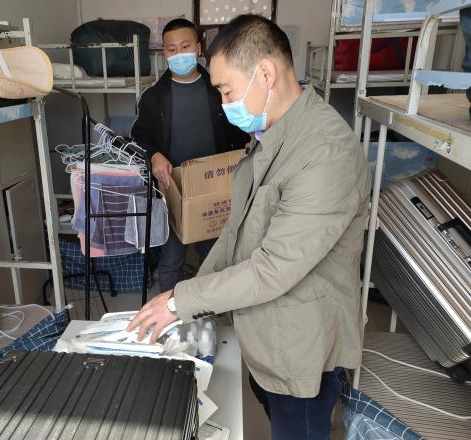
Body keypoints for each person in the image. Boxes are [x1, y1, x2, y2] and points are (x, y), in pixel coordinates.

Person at [128, 14, 370, 440]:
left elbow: (272, 268)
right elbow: (235, 235)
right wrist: (184, 298)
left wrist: (180, 303)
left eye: (226, 91)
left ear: (265, 73)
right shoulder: (270, 138)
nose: (224, 105)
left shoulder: (324, 152)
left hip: (301, 351)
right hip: (265, 338)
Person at [131, 18, 249, 293]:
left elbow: (240, 131)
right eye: (171, 49)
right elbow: (139, 134)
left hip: (214, 187)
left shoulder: (219, 90)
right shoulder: (153, 97)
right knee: (171, 260)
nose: (178, 54)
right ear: (164, 53)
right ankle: (170, 312)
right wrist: (154, 155)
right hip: (173, 187)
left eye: (185, 46)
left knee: (215, 259)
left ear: (198, 48)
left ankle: (213, 311)